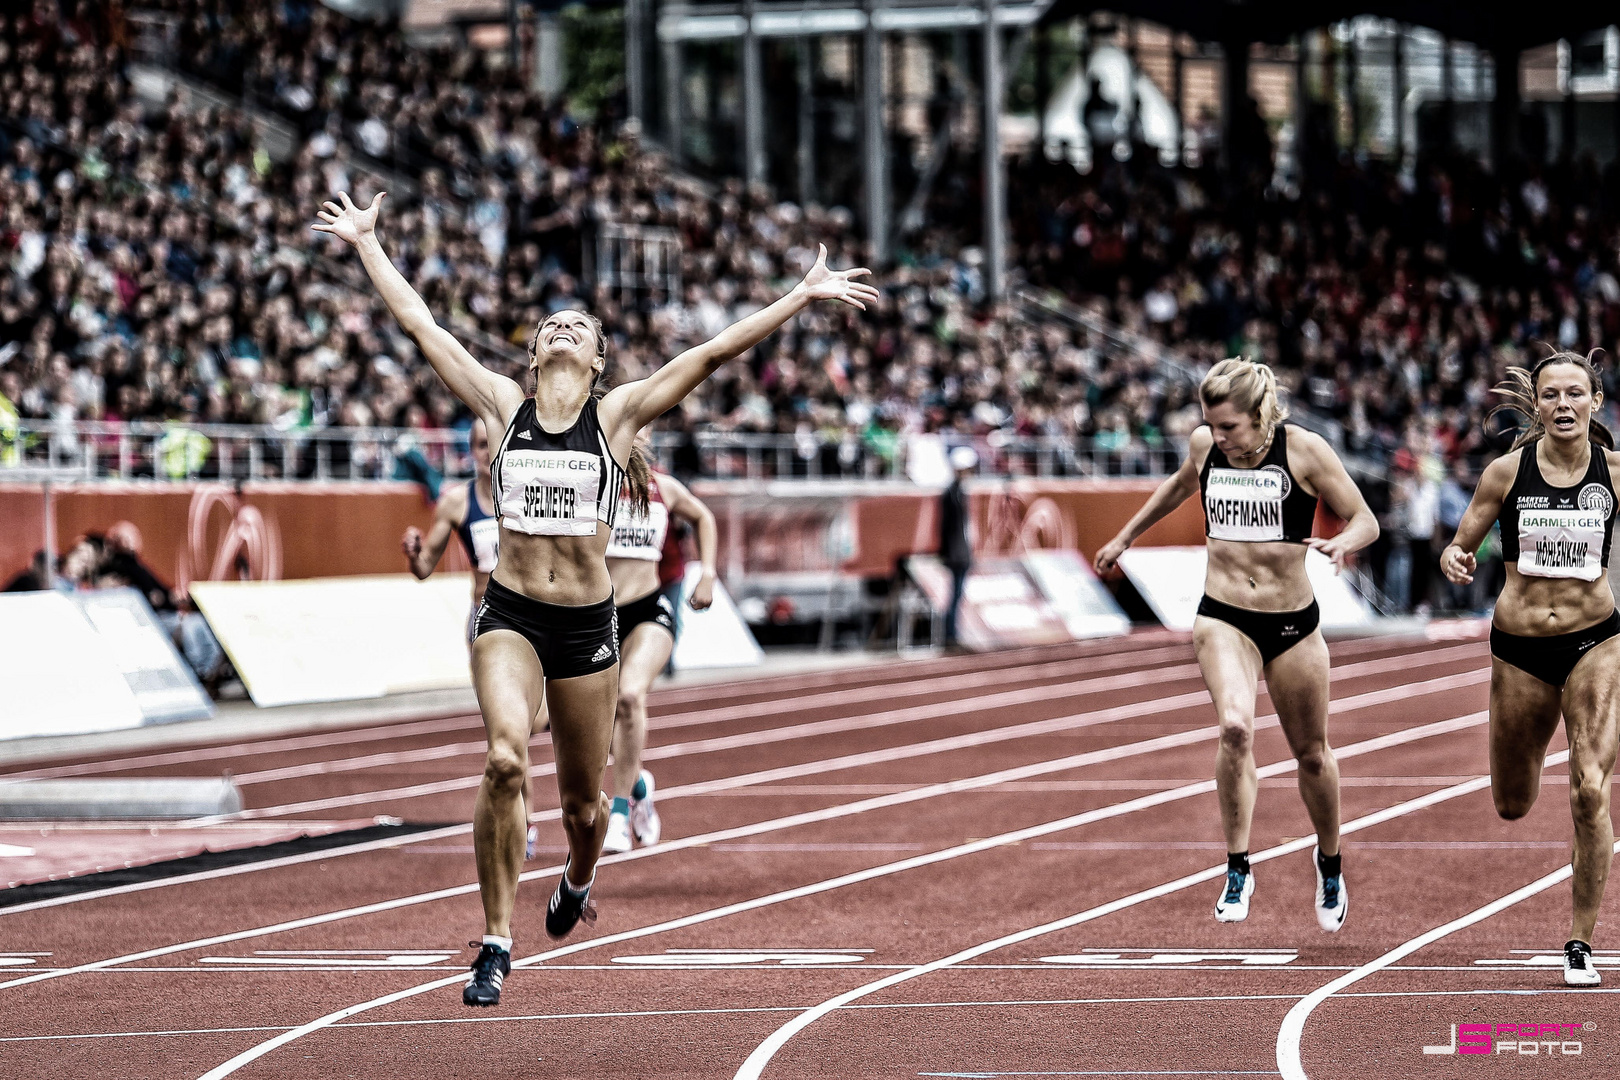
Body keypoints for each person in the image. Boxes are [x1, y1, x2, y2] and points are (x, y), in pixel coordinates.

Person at [313, 190, 876, 1007]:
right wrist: (367, 243)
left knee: (584, 808)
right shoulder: (502, 405)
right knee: (505, 759)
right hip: (509, 615)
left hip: (586, 626)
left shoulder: (616, 419)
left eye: (580, 325)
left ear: (600, 359)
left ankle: (578, 879)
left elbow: (713, 353)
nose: (563, 327)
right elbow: (421, 324)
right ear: (536, 354)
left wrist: (798, 295)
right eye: (552, 325)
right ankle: (497, 941)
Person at [1095, 359, 1379, 932]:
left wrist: (1341, 542)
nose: (1217, 438)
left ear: (1260, 416)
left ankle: (1329, 860)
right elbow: (1180, 484)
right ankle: (1237, 865)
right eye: (1211, 426)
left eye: (1229, 428)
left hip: (1293, 621)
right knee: (1235, 728)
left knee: (1312, 754)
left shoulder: (1304, 451)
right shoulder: (1205, 446)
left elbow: (1366, 519)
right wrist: (1124, 536)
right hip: (1223, 615)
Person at [1440, 350, 1620, 988]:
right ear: (1537, 405)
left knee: (1591, 790)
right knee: (1512, 803)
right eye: (1551, 395)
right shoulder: (1504, 473)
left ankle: (1579, 941)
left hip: (1596, 640)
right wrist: (1456, 560)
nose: (1564, 405)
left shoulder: (1615, 473)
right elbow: (1458, 546)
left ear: (1595, 403)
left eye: (1576, 394)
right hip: (1519, 646)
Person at [400, 418, 543, 861]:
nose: (486, 453)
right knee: (507, 730)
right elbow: (425, 568)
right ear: (470, 450)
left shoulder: (531, 491)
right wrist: (413, 551)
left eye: (492, 444)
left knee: (531, 724)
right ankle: (527, 820)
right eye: (479, 446)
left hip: (536, 618)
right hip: (487, 620)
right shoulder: (458, 502)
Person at [601, 456, 719, 854]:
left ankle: (619, 813)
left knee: (629, 697)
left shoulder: (662, 487)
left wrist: (708, 573)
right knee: (589, 730)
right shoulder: (589, 476)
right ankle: (638, 785)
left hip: (649, 608)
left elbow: (703, 517)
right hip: (596, 617)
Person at [940, 445, 976, 647]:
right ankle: (950, 635)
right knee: (955, 595)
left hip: (960, 552)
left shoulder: (959, 492)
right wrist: (950, 552)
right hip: (957, 554)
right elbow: (947, 527)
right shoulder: (952, 493)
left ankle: (953, 633)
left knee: (958, 595)